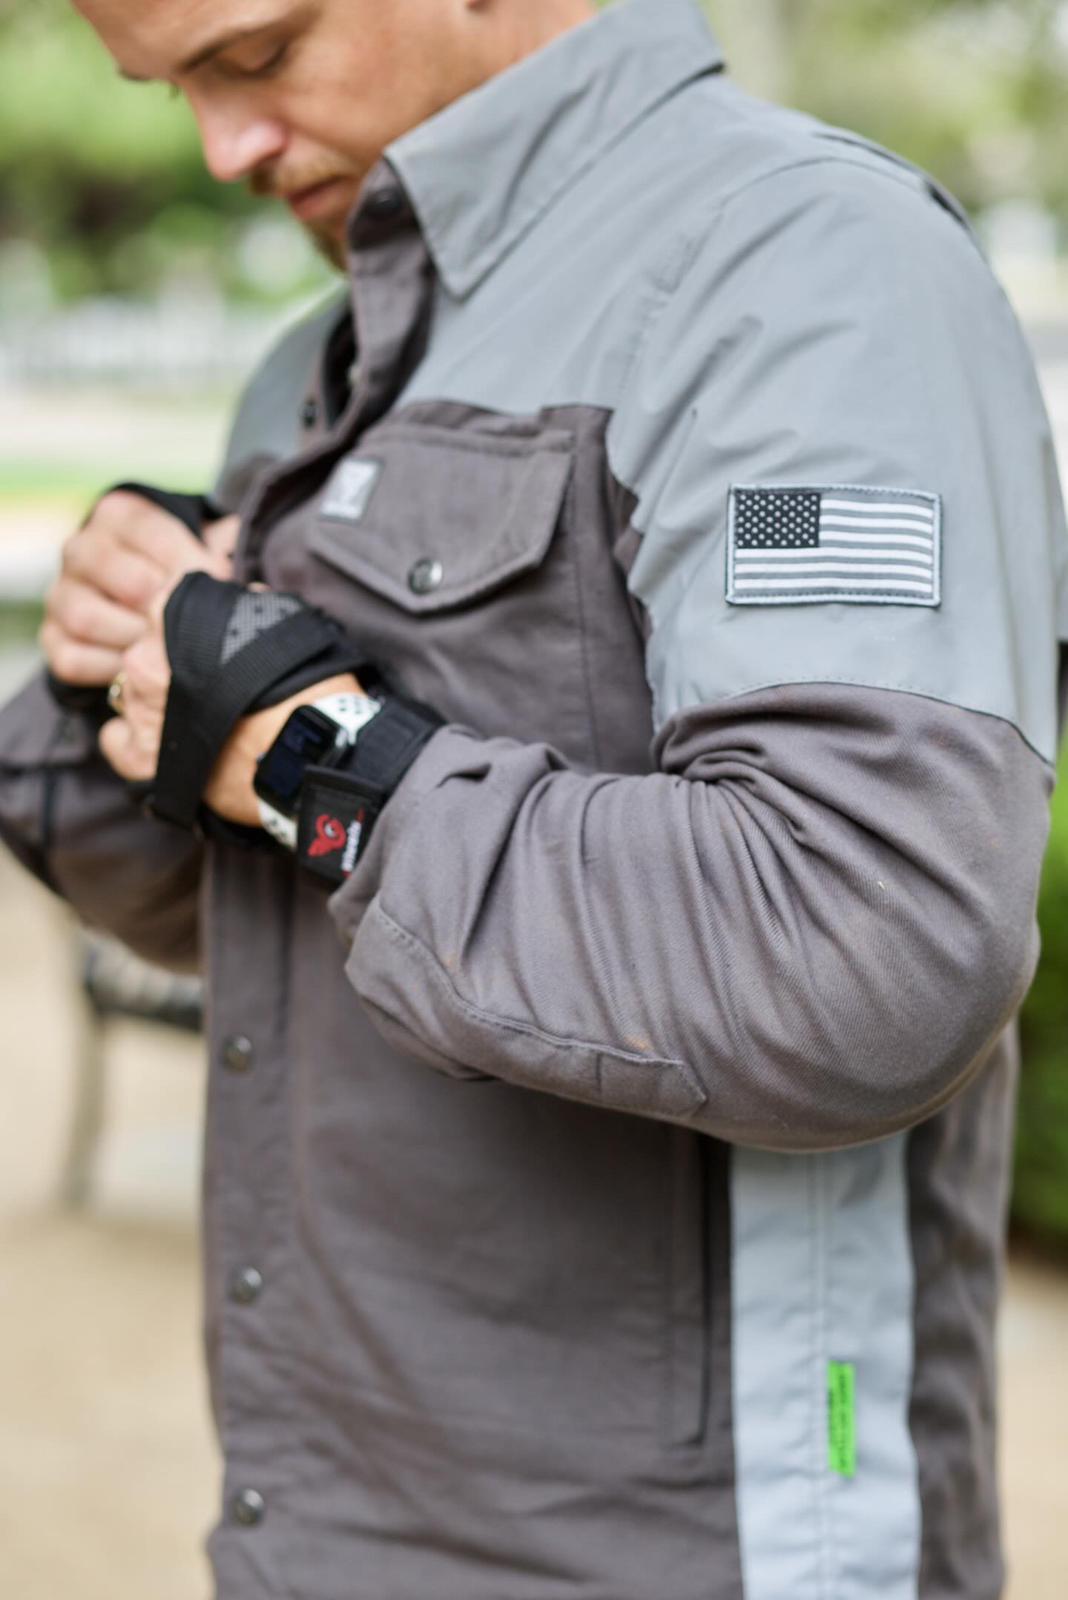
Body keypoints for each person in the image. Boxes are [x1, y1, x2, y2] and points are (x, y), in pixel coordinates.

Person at [2, 0, 1066, 1595]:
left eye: (254, 55)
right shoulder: (322, 358)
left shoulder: (805, 275)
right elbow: (226, 926)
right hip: (320, 1519)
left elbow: (867, 948)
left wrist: (311, 753)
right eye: (170, 89)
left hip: (674, 1557)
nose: (221, 149)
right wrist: (126, 676)